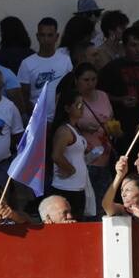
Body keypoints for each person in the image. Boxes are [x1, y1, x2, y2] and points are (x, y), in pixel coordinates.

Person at [100, 25, 139, 140]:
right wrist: (120, 100)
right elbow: (100, 95)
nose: (138, 50)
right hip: (125, 129)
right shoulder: (112, 68)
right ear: (125, 46)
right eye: (133, 45)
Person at [48, 90, 90, 218]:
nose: (81, 107)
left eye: (83, 104)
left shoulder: (74, 128)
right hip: (66, 188)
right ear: (67, 108)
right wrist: (71, 169)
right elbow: (56, 155)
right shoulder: (64, 130)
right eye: (78, 105)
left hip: (77, 187)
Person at [17, 18, 72, 112]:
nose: (46, 39)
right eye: (43, 35)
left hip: (60, 115)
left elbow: (70, 89)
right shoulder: (27, 63)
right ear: (37, 36)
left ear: (56, 36)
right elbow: (23, 96)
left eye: (50, 35)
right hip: (36, 118)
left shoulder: (65, 60)